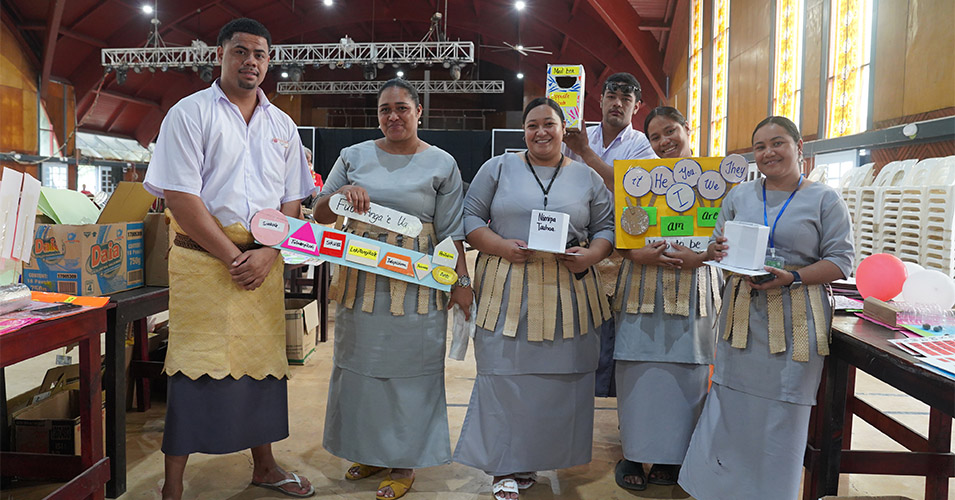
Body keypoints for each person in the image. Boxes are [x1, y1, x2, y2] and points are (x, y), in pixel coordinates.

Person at [143, 18, 315, 499]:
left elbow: (292, 201)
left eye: (260, 55)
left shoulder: (282, 124)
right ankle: (172, 485)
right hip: (203, 262)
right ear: (219, 54)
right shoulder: (190, 113)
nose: (251, 62)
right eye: (241, 52)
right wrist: (232, 257)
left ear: (269, 62)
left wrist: (267, 252)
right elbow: (181, 197)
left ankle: (264, 467)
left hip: (263, 262)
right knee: (193, 365)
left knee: (261, 365)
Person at [312, 78, 472, 500]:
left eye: (402, 108)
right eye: (385, 109)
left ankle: (403, 461)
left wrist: (462, 282)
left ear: (419, 112)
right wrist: (342, 194)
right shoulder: (353, 156)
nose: (393, 116)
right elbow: (320, 213)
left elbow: (453, 230)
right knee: (359, 369)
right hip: (360, 282)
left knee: (411, 373)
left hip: (418, 282)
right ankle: (370, 450)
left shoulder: (443, 163)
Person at [678, 116, 854, 499]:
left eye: (777, 143)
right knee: (730, 404)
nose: (768, 152)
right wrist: (715, 252)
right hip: (743, 314)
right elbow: (715, 247)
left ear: (798, 147)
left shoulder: (824, 198)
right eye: (760, 147)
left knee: (783, 412)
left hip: (796, 317)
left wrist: (792, 277)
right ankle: (719, 489)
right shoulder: (740, 196)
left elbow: (842, 261)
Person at [453, 97, 615, 500]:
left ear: (565, 130)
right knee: (503, 375)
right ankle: (504, 465)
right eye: (532, 126)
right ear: (523, 132)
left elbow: (606, 228)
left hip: (569, 289)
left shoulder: (587, 177)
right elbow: (469, 218)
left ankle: (535, 459)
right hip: (507, 284)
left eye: (549, 124)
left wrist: (590, 256)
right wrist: (501, 245)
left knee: (559, 380)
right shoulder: (498, 167)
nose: (541, 132)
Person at [610, 106, 721, 490]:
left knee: (687, 373)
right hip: (642, 286)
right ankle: (633, 452)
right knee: (638, 371)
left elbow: (729, 240)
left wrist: (702, 256)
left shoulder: (716, 179)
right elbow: (621, 235)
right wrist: (634, 253)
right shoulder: (636, 179)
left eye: (670, 131)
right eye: (655, 137)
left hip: (695, 287)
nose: (664, 141)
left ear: (687, 129)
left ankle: (674, 458)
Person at [563, 72, 658, 398]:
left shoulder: (642, 145)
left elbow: (629, 190)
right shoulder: (576, 135)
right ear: (600, 99)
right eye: (611, 96)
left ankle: (605, 406)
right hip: (574, 246)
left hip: (620, 253)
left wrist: (586, 153)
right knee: (574, 332)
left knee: (611, 337)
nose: (617, 103)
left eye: (626, 99)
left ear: (637, 106)